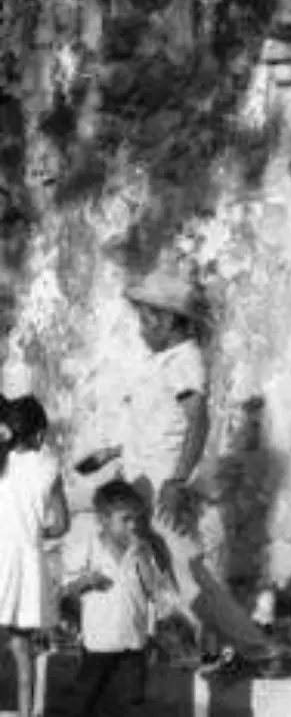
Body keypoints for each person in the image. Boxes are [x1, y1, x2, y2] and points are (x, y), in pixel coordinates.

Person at [73, 265, 276, 668]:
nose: (141, 330)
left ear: (167, 321)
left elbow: (198, 421)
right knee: (169, 571)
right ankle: (202, 647)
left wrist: (177, 480)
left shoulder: (185, 361)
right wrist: (113, 453)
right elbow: (159, 423)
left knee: (188, 575)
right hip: (143, 484)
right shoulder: (164, 361)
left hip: (163, 486)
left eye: (147, 321)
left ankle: (256, 648)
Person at [61, 479, 167, 717]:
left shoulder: (142, 550)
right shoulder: (89, 547)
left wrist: (144, 561)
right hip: (99, 642)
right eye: (125, 519)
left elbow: (156, 591)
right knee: (86, 699)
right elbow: (66, 587)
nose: (133, 526)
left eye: (136, 519)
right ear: (103, 519)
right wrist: (87, 581)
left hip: (134, 642)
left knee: (132, 702)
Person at [0, 394, 70, 717]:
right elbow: (62, 525)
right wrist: (34, 534)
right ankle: (25, 711)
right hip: (26, 566)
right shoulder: (49, 465)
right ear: (40, 433)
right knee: (22, 650)